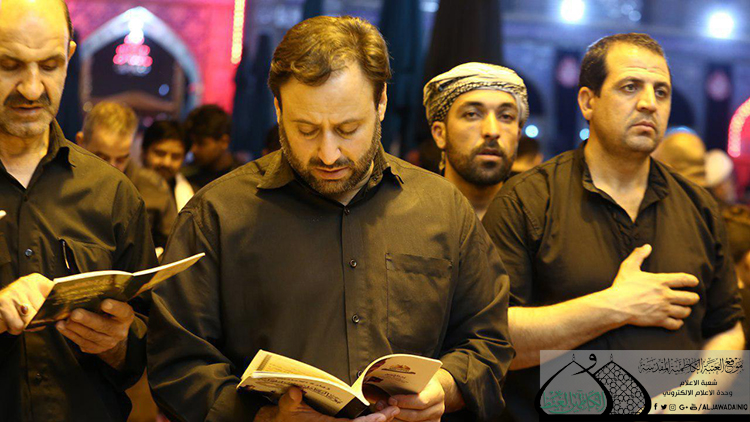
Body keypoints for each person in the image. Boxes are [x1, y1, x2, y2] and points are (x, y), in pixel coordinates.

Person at [148, 15, 513, 422]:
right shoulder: (216, 214)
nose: (328, 154)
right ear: (278, 108)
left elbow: (488, 339)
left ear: (381, 103)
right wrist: (264, 418)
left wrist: (444, 387)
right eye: (306, 130)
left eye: (347, 128)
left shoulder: (443, 208)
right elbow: (177, 363)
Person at [482, 33, 745, 421]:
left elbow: (727, 329)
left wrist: (691, 400)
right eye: (630, 87)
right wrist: (614, 306)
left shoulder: (700, 207)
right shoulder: (527, 201)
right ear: (588, 101)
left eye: (661, 91)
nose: (649, 103)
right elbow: (492, 341)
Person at [0, 1, 158, 420]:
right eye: (9, 65)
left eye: (50, 65)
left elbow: (148, 343)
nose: (32, 88)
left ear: (69, 58)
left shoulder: (113, 193)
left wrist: (118, 342)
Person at [423, 63, 528, 219]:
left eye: (506, 116)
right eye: (472, 114)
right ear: (440, 134)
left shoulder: (538, 221)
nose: (492, 131)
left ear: (518, 135)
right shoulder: (412, 219)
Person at [77, 101, 177, 250]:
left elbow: (172, 247)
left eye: (121, 160)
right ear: (80, 142)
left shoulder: (153, 187)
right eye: (102, 158)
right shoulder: (63, 183)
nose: (111, 168)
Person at [182, 104, 241, 189]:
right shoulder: (185, 177)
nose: (193, 150)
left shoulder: (240, 179)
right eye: (191, 143)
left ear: (224, 142)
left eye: (201, 143)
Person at [141, 119, 194, 211]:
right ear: (144, 152)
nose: (167, 163)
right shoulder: (128, 189)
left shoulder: (193, 195)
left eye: (175, 156)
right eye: (160, 153)